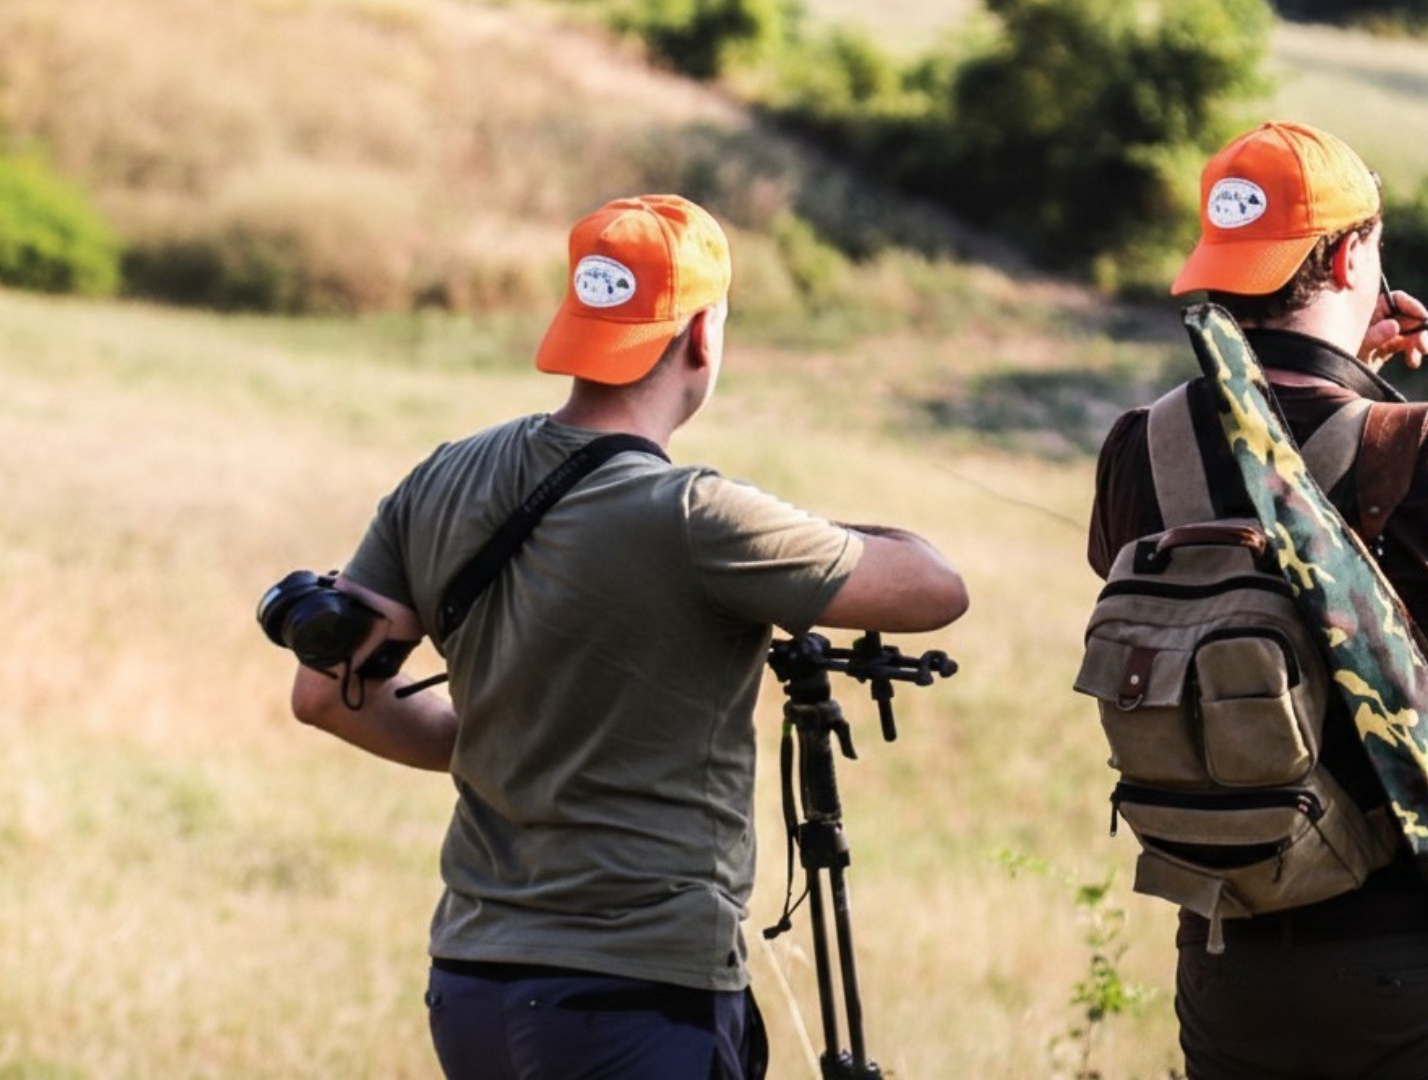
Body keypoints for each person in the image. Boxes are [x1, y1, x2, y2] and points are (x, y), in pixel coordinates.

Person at [275, 194, 969, 1080]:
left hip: (473, 985)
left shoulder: (443, 475)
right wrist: (786, 540)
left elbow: (326, 693)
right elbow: (935, 590)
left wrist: (500, 745)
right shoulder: (697, 515)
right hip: (634, 995)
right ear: (702, 337)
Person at [1086, 122, 1428, 1080]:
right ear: (1354, 254)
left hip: (1229, 965)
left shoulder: (1144, 446)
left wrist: (1350, 364)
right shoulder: (1416, 452)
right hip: (1419, 971)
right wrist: (1381, 400)